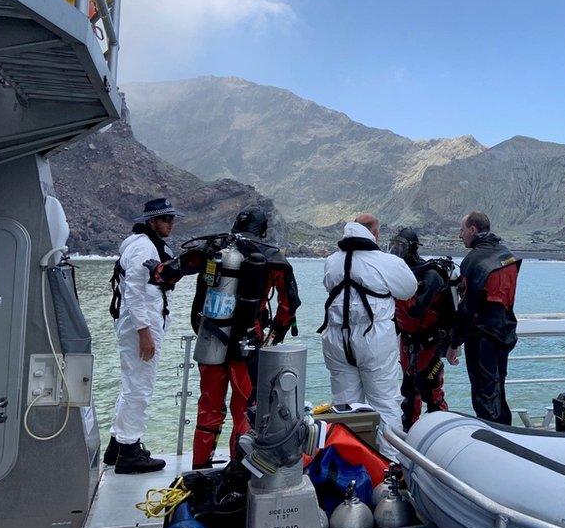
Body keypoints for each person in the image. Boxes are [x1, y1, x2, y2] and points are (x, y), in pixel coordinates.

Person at [144, 206, 301, 469]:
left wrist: (155, 269)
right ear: (262, 230)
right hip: (248, 346)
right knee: (245, 410)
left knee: (209, 408)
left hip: (211, 342)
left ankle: (200, 468)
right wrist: (274, 337)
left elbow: (168, 272)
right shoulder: (274, 259)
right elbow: (288, 307)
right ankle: (237, 471)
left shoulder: (212, 250)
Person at [318, 213, 416, 458]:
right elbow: (408, 289)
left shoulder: (331, 261)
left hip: (337, 340)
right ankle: (390, 467)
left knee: (345, 406)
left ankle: (348, 463)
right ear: (375, 233)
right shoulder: (387, 262)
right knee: (385, 404)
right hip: (375, 341)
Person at [103, 197, 182, 474]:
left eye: (172, 219)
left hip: (140, 323)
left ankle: (117, 444)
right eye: (166, 219)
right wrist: (144, 333)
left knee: (131, 384)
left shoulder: (140, 243)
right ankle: (129, 453)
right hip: (141, 325)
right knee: (140, 387)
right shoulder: (144, 247)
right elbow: (133, 292)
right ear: (152, 222)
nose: (171, 224)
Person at [448, 211, 521, 425]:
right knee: (498, 388)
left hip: (482, 336)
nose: (460, 236)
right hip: (505, 332)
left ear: (473, 229)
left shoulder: (473, 260)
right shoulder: (507, 255)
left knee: (484, 394)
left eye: (462, 231)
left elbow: (467, 307)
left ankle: (493, 439)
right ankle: (507, 433)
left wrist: (454, 343)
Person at [388, 227, 458, 431]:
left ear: (411, 249)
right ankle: (409, 437)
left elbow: (415, 310)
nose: (395, 252)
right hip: (408, 342)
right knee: (409, 392)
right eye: (393, 246)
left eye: (399, 247)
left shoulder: (431, 275)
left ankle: (442, 436)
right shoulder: (401, 274)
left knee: (432, 392)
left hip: (428, 343)